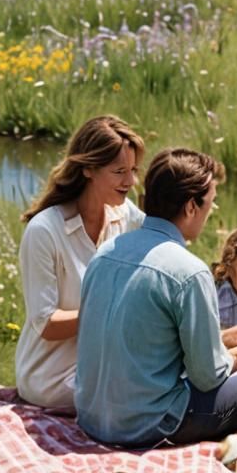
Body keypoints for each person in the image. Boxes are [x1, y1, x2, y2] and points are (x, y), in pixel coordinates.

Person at [74, 147, 237, 447]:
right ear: (191, 207)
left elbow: (144, 341)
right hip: (151, 425)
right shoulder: (189, 271)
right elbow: (209, 377)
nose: (208, 216)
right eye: (209, 207)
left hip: (91, 417)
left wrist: (219, 339)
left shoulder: (105, 253)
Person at [15, 115, 144, 410]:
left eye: (134, 170)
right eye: (120, 171)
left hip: (105, 365)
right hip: (51, 378)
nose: (131, 182)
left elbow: (162, 238)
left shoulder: (123, 215)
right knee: (157, 391)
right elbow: (46, 323)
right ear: (88, 169)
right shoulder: (44, 231)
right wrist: (113, 310)